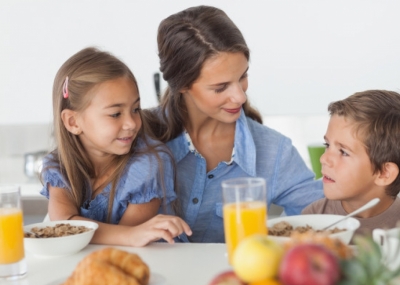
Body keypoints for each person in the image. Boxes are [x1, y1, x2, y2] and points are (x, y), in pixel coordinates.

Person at [143, 5, 324, 243]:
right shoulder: (136, 137)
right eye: (220, 87)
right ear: (183, 85)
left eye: (243, 77)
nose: (240, 96)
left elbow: (324, 220)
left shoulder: (274, 151)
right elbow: (83, 218)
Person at [40, 47, 191, 246]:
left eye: (135, 109)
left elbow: (125, 243)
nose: (132, 123)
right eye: (115, 114)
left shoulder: (149, 165)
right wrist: (131, 235)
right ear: (73, 122)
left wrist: (131, 235)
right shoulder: (58, 167)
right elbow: (64, 226)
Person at [302, 90, 400, 235]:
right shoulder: (312, 219)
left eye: (343, 152)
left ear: (384, 173)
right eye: (327, 145)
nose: (324, 159)